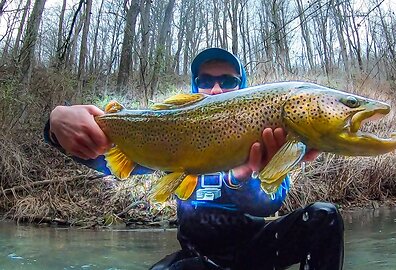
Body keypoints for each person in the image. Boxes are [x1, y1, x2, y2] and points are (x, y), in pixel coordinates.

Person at [45, 48, 344, 270]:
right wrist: (56, 125)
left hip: (257, 252)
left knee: (324, 218)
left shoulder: (270, 135)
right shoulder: (169, 136)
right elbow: (101, 158)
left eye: (227, 81)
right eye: (205, 80)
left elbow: (270, 203)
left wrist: (241, 178)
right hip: (195, 259)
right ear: (193, 86)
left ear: (243, 88)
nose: (216, 89)